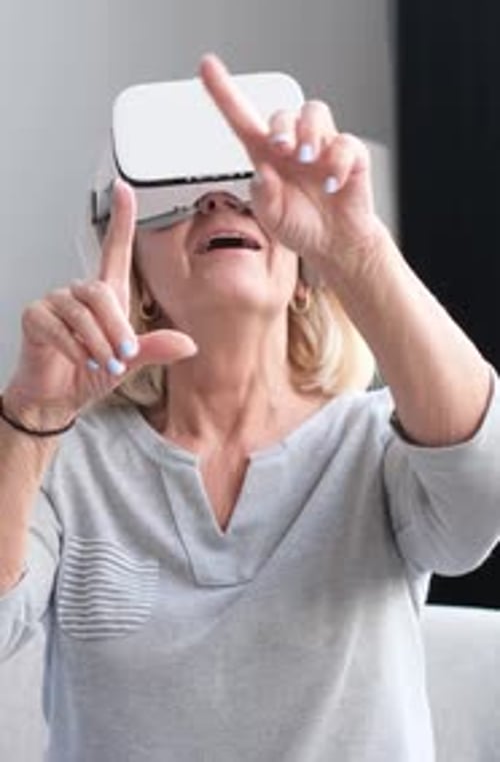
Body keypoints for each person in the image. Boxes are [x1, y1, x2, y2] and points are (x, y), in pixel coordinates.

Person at [1, 53, 499, 762]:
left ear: (305, 278)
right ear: (136, 275)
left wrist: (354, 249)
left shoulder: (375, 445)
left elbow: (485, 496)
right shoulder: (67, 458)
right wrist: (27, 419)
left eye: (242, 189)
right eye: (181, 189)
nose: (217, 202)